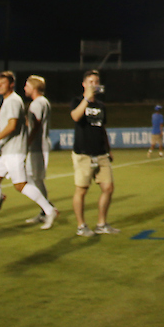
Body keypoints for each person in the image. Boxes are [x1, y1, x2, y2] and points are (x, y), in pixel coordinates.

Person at [0, 71, 59, 229]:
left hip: (14, 151)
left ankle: (49, 210)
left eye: (3, 83)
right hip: (6, 150)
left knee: (21, 185)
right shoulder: (8, 101)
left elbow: (12, 126)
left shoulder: (14, 101)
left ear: (11, 84)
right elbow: (10, 126)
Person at [70, 70, 116, 237]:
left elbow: (102, 128)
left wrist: (108, 149)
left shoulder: (101, 106)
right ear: (84, 84)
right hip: (83, 154)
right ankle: (81, 226)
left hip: (101, 153)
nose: (93, 84)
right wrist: (86, 99)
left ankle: (101, 224)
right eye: (90, 81)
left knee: (108, 188)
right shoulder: (77, 101)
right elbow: (75, 116)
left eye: (96, 82)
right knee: (81, 190)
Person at [23, 75, 52, 225]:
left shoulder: (37, 103)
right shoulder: (42, 102)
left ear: (34, 88)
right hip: (38, 146)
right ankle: (45, 209)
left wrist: (26, 142)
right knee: (32, 178)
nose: (24, 88)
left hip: (37, 147)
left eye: (27, 86)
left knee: (36, 179)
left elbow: (36, 126)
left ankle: (48, 210)